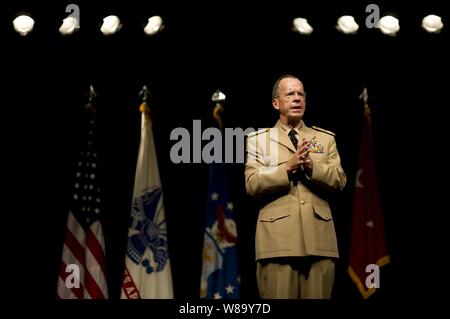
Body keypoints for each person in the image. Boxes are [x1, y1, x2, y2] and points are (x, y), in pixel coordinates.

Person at [244, 74, 346, 299]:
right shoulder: (258, 140)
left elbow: (340, 180)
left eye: (301, 94)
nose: (297, 99)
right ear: (276, 103)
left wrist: (312, 168)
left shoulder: (324, 138)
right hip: (277, 242)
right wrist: (286, 169)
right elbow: (252, 184)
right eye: (290, 94)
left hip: (319, 241)